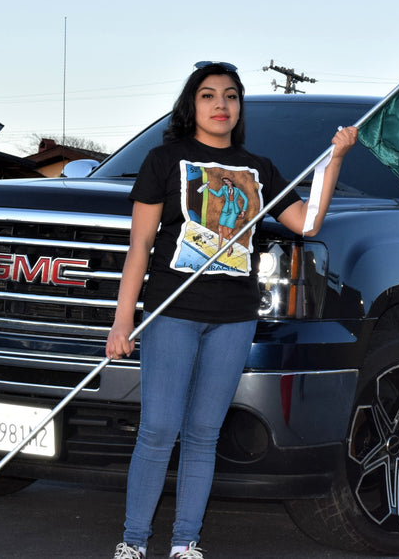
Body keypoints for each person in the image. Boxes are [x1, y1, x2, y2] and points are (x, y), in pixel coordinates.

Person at [105, 61, 357, 559]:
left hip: (234, 318)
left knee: (203, 432)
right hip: (172, 311)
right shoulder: (165, 160)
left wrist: (336, 159)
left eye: (231, 96)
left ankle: (185, 542)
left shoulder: (258, 170)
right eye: (208, 95)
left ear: (239, 107)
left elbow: (306, 223)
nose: (221, 104)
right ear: (191, 105)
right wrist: (122, 321)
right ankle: (133, 541)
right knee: (158, 428)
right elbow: (140, 248)